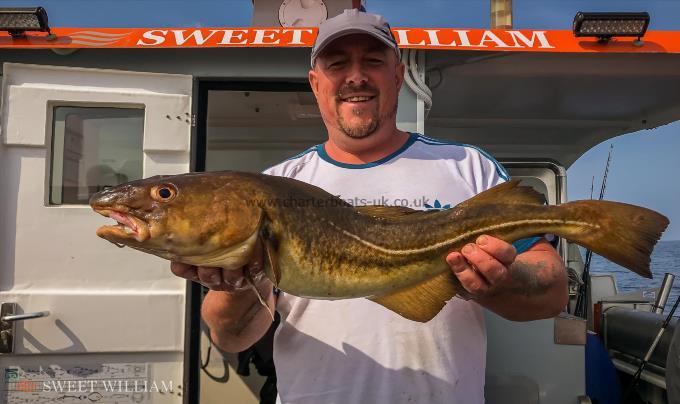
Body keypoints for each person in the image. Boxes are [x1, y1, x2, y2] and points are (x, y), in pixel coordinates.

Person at [171, 9, 568, 403]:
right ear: (315, 82)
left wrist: (501, 281)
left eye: (373, 61)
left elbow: (552, 293)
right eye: (337, 63)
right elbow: (231, 336)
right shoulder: (278, 182)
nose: (355, 77)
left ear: (398, 76)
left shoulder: (468, 166)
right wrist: (241, 284)